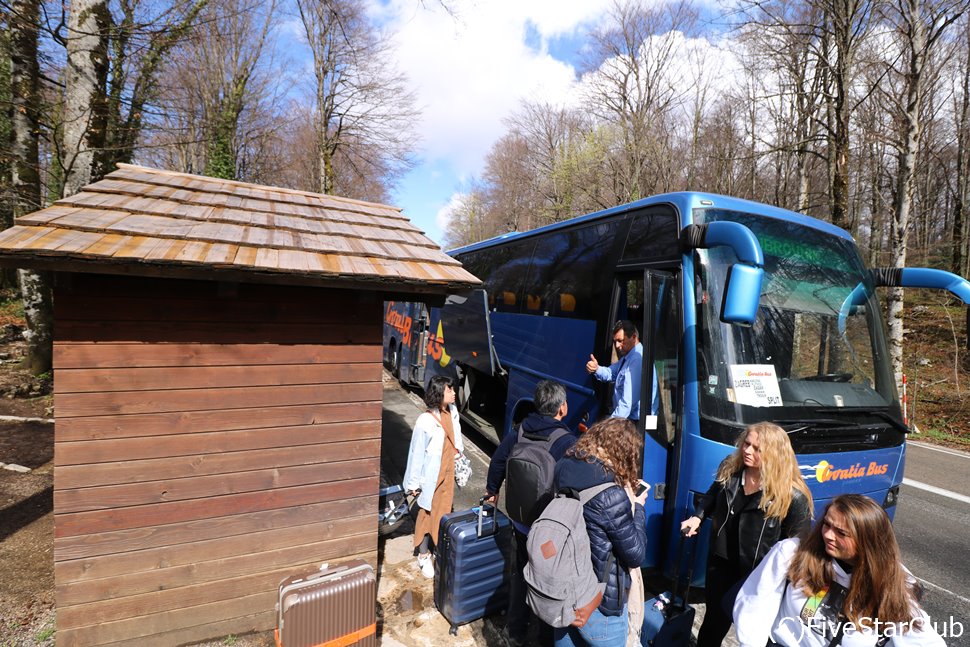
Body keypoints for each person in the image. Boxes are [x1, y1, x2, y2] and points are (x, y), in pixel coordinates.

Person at [734, 494, 945, 647]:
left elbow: (923, 639)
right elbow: (755, 604)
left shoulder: (895, 581)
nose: (828, 535)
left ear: (868, 541)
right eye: (827, 524)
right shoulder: (792, 553)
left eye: (841, 533)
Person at [681, 422, 813, 647]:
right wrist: (698, 516)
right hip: (720, 564)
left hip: (758, 576)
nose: (747, 451)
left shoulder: (793, 496)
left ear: (774, 454)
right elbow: (713, 494)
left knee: (753, 633)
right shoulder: (731, 468)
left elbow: (797, 550)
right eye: (746, 444)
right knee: (713, 622)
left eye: (756, 449)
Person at [485, 380, 579, 647]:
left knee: (520, 574)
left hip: (520, 522)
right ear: (562, 408)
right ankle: (545, 639)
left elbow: (498, 460)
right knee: (547, 584)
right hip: (548, 534)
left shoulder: (520, 430)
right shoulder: (566, 441)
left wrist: (492, 490)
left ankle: (514, 632)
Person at [552, 417, 648, 647]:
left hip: (564, 587)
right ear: (625, 452)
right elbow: (635, 554)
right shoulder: (612, 495)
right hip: (598, 602)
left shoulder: (565, 463)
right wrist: (639, 508)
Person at [402, 375, 464, 578]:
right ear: (439, 393)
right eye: (449, 390)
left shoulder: (452, 412)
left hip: (448, 474)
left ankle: (438, 549)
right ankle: (422, 555)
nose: (454, 393)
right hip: (432, 477)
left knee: (444, 513)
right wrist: (413, 483)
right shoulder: (425, 421)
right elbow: (416, 453)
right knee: (426, 514)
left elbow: (456, 440)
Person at [585, 320, 658, 420]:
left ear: (633, 337)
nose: (617, 346)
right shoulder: (629, 356)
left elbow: (627, 404)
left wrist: (610, 426)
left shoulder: (637, 360)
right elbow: (612, 373)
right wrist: (596, 369)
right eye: (615, 342)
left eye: (620, 340)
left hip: (635, 421)